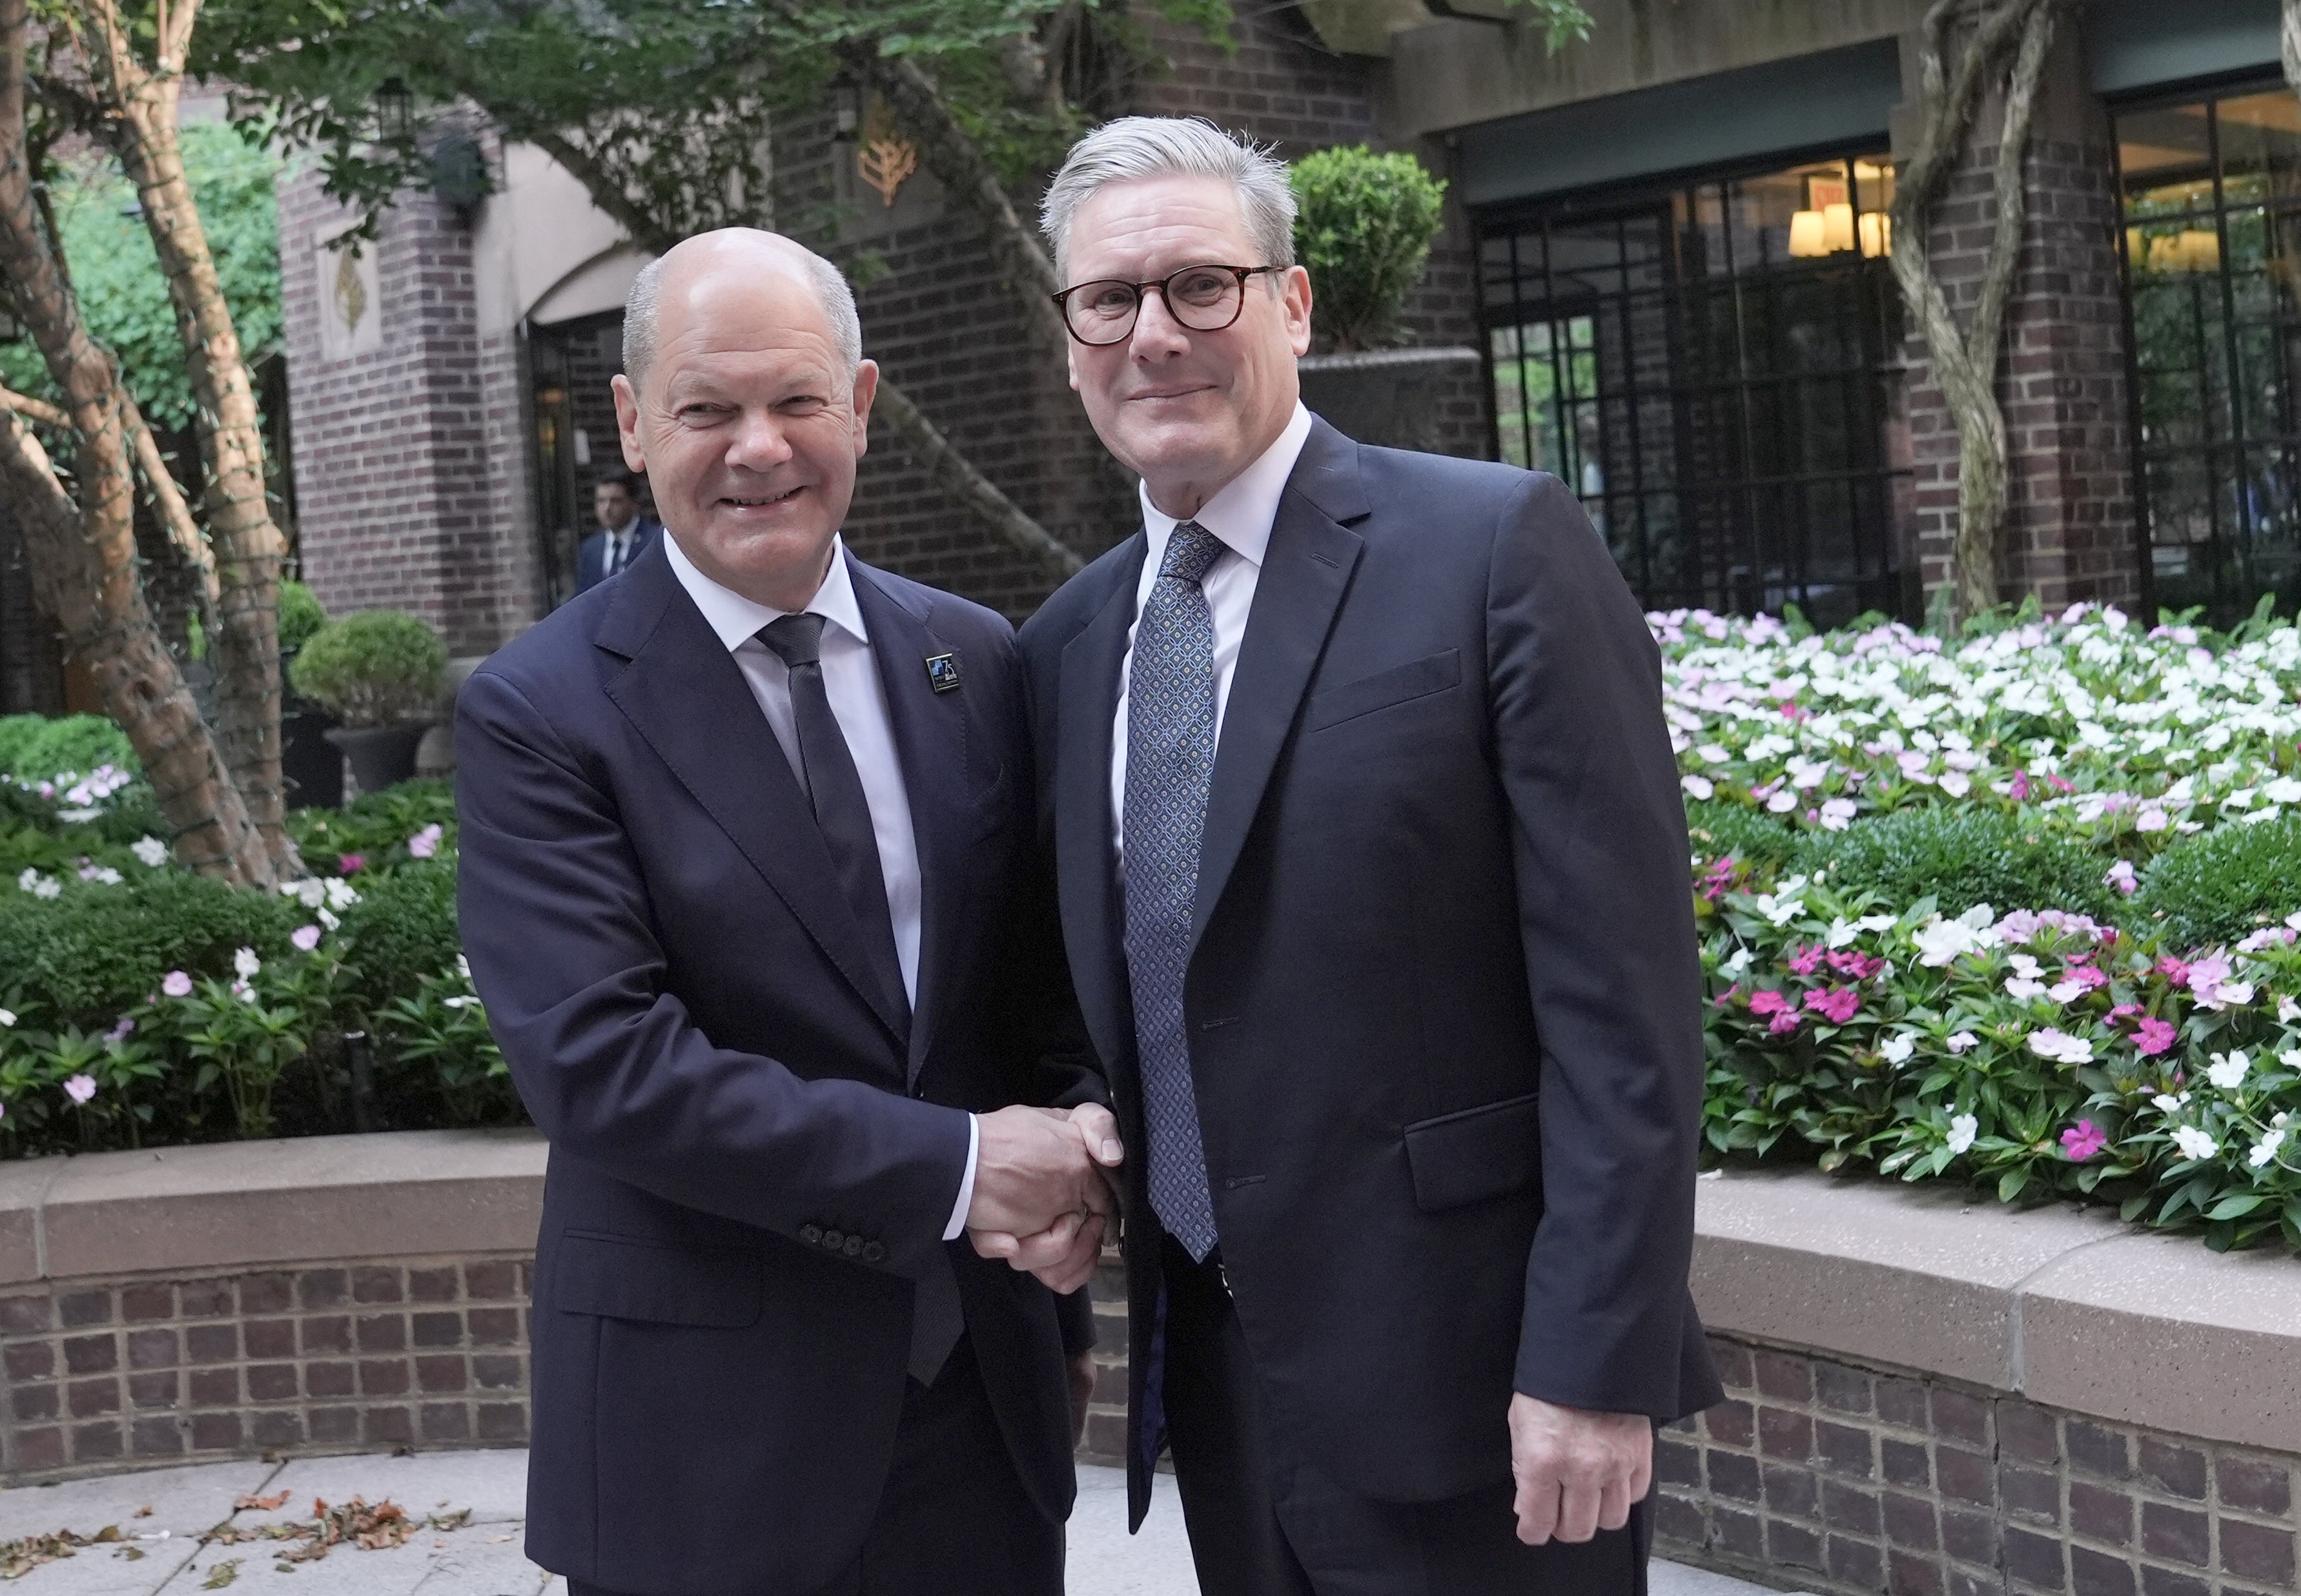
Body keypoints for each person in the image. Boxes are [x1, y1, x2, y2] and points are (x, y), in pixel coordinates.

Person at [1008, 118, 1722, 1595]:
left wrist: (1595, 1361)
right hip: (1217, 1385)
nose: (1156, 334)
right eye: (1110, 300)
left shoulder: (1493, 548)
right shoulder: (1067, 647)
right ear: (1072, 333)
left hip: (1484, 1389)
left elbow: (1624, 1008)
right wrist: (1081, 1115)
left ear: (1295, 303)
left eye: (1202, 284)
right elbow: (1126, 984)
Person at [453, 228, 1120, 1596]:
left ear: (860, 407)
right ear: (634, 425)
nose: (759, 447)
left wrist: (1081, 1145)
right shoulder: (538, 710)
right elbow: (606, 1069)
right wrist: (959, 1167)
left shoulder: (972, 658)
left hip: (977, 1418)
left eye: (796, 402)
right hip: (706, 1441)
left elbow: (1037, 987)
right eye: (707, 409)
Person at [576, 466, 659, 591]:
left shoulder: (655, 542)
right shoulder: (591, 549)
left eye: (615, 501)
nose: (607, 508)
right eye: (601, 501)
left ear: (633, 503)